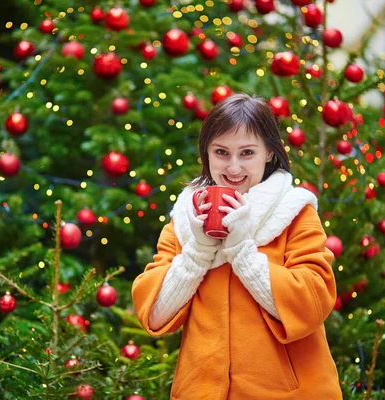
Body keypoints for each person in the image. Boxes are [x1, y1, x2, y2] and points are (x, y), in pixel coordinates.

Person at [132, 93, 342, 399]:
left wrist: (242, 249)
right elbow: (155, 315)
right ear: (206, 153)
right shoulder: (186, 219)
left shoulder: (293, 212)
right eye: (221, 152)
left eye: (246, 153)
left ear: (269, 152)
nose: (233, 168)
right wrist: (199, 251)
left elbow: (312, 304)